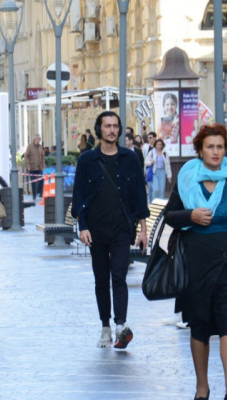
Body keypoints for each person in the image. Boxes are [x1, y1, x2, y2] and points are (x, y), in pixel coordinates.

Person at [162, 124, 227, 400]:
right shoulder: (187, 178)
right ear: (200, 150)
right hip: (197, 262)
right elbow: (170, 216)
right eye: (210, 147)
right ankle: (202, 387)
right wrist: (191, 216)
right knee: (200, 325)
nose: (216, 152)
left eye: (220, 147)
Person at [71, 112, 149, 349]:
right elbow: (79, 197)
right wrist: (82, 226)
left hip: (122, 229)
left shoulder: (130, 158)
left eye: (115, 126)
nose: (112, 130)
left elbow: (139, 196)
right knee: (101, 279)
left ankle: (120, 325)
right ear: (99, 130)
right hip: (95, 230)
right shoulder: (87, 161)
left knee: (119, 276)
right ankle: (105, 325)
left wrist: (143, 230)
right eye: (107, 126)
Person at [23, 135, 46, 200]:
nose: (38, 141)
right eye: (37, 140)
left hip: (39, 167)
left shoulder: (41, 147)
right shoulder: (30, 146)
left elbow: (42, 157)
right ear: (34, 139)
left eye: (39, 140)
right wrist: (28, 165)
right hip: (32, 167)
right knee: (33, 182)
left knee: (41, 179)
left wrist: (43, 165)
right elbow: (26, 156)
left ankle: (40, 192)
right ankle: (34, 195)